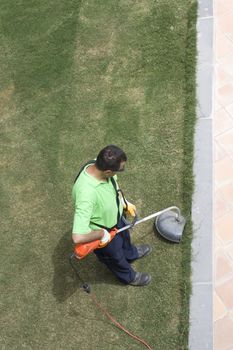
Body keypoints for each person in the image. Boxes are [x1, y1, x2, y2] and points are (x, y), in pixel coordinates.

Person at [72, 145, 152, 286]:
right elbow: (78, 236)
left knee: (125, 238)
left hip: (116, 220)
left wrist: (123, 201)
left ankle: (130, 253)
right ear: (108, 171)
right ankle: (129, 277)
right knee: (115, 257)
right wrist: (101, 234)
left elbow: (113, 185)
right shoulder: (86, 193)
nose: (120, 172)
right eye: (120, 170)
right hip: (105, 234)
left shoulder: (97, 163)